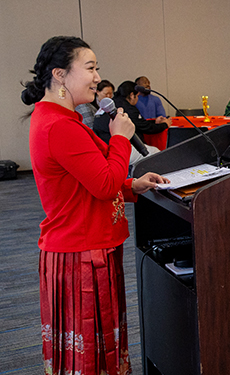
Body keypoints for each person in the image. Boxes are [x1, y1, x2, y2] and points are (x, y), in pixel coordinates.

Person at [21, 36, 169, 375]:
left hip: (88, 245)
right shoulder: (59, 125)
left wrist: (133, 185)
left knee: (97, 351)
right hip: (81, 252)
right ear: (59, 74)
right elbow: (102, 184)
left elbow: (87, 181)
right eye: (90, 68)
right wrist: (119, 136)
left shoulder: (60, 119)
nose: (97, 77)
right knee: (89, 357)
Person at [94, 81, 171, 165]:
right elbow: (145, 127)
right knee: (155, 153)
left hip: (102, 148)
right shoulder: (127, 108)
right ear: (131, 95)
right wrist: (165, 125)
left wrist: (155, 122)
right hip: (117, 148)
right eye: (137, 96)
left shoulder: (111, 104)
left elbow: (138, 123)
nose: (137, 99)